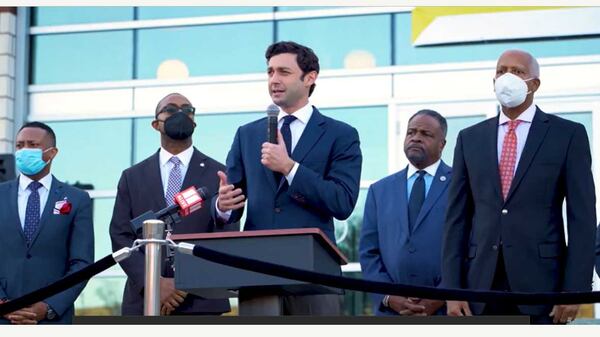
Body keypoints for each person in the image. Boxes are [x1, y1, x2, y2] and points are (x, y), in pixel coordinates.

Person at [442, 50, 596, 324]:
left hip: (542, 288)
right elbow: (457, 219)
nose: (507, 78)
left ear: (534, 84)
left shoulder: (567, 135)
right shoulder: (470, 138)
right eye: (501, 71)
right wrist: (452, 290)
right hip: (480, 287)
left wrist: (575, 289)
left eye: (517, 71)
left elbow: (582, 217)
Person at [212, 41, 362, 315]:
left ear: (310, 78)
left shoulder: (341, 135)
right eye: (269, 72)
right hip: (257, 269)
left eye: (284, 72)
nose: (274, 80)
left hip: (316, 273)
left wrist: (290, 168)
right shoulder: (246, 134)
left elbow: (342, 202)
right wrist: (223, 206)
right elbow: (232, 204)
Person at [110, 93, 234, 316]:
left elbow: (226, 235)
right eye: (171, 109)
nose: (181, 114)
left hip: (202, 303)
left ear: (194, 121)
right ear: (156, 124)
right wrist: (154, 283)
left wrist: (182, 284)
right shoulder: (132, 176)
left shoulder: (220, 175)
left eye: (187, 110)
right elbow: (120, 236)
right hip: (142, 302)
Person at [0, 122, 94, 324]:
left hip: (53, 320)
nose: (24, 151)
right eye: (19, 145)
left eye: (32, 145)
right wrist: (4, 304)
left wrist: (50, 306)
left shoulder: (77, 199)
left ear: (51, 153)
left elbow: (81, 264)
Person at [360, 110, 450, 316]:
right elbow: (369, 253)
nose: (416, 137)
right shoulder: (379, 190)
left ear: (442, 144)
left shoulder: (460, 186)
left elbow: (470, 249)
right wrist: (389, 298)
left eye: (426, 134)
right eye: (411, 132)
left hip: (444, 310)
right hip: (392, 312)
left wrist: (439, 297)